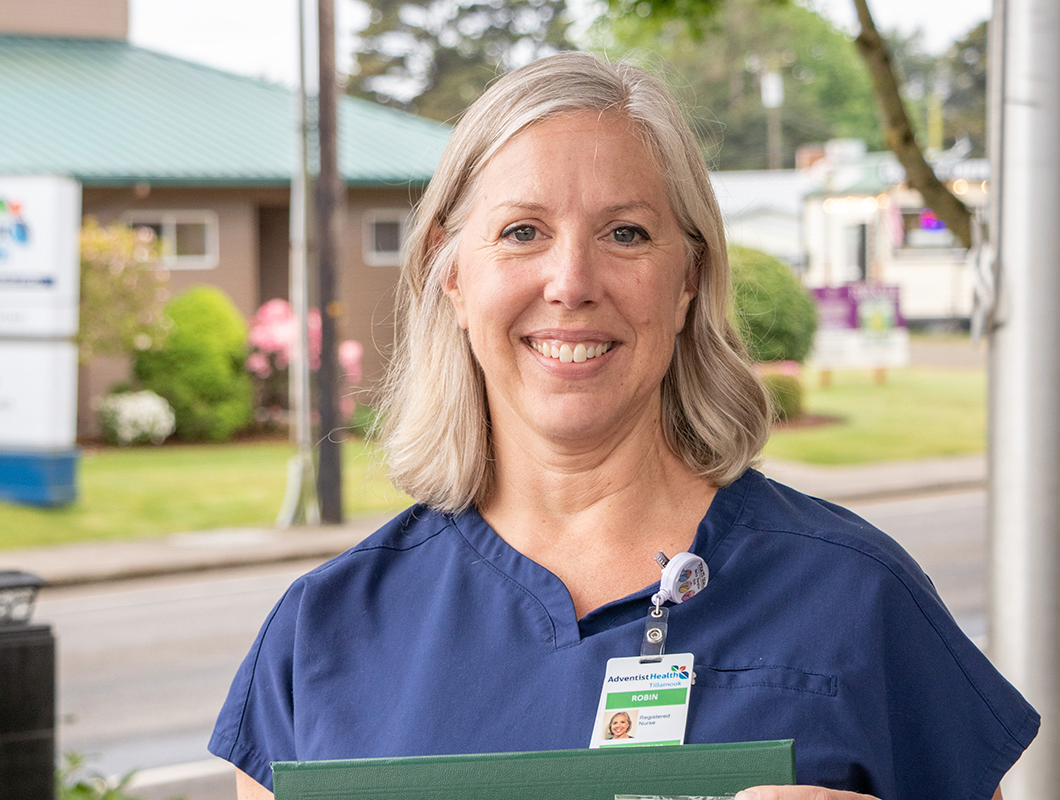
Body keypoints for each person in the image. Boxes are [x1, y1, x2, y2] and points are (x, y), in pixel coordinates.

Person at [210, 52, 1038, 800]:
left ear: (688, 279)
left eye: (626, 233)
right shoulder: (321, 633)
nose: (571, 282)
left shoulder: (858, 598)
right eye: (522, 231)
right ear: (448, 271)